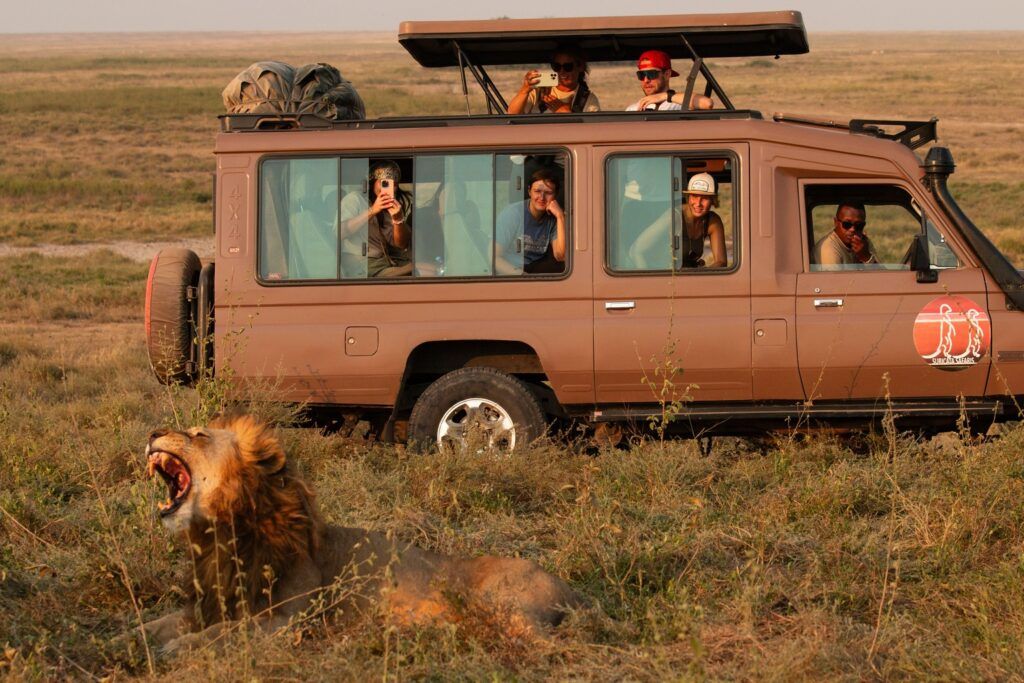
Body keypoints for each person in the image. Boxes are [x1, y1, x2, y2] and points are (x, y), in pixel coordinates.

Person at [629, 172, 727, 269]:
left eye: (705, 198)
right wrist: (649, 280)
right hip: (665, 277)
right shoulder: (673, 217)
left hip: (688, 278)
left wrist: (703, 275)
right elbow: (635, 251)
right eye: (694, 196)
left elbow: (721, 261)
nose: (698, 203)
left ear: (713, 200)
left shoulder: (712, 221)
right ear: (688, 197)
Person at [339, 160, 413, 277]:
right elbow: (339, 232)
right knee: (418, 271)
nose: (391, 189)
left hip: (384, 261)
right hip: (361, 264)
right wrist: (372, 211)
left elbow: (401, 244)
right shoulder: (354, 199)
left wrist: (398, 220)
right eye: (385, 184)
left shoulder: (391, 207)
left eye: (394, 184)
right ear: (372, 183)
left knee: (426, 268)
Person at [494, 168, 567, 274]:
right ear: (529, 191)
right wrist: (524, 277)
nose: (541, 197)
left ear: (555, 195)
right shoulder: (513, 214)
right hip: (511, 272)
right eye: (537, 191)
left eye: (548, 193)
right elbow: (494, 258)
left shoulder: (554, 217)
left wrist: (560, 217)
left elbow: (561, 256)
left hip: (534, 268)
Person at [507, 44, 600, 114]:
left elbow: (590, 132)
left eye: (568, 66)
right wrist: (524, 90)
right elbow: (512, 114)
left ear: (580, 67)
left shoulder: (587, 99)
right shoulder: (539, 91)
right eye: (557, 66)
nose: (562, 71)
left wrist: (565, 112)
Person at [626, 50, 713, 112]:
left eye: (651, 74)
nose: (646, 80)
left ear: (667, 74)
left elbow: (707, 103)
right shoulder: (633, 109)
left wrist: (664, 96)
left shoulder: (680, 105)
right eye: (641, 75)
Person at [813, 201, 879, 267]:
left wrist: (866, 257)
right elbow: (833, 277)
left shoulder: (863, 243)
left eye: (859, 225)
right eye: (847, 224)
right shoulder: (828, 249)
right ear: (836, 222)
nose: (852, 229)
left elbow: (883, 274)